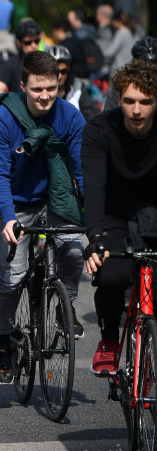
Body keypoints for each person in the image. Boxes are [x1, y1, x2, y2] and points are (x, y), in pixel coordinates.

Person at [0, 51, 85, 385]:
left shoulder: (70, 117)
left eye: (51, 88)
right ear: (23, 86)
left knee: (74, 251)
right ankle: (4, 337)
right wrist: (6, 218)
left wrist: (94, 217)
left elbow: (82, 170)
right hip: (17, 204)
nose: (45, 96)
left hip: (56, 199)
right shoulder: (4, 120)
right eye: (37, 89)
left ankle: (65, 308)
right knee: (13, 276)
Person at [83, 59, 157, 375]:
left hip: (152, 210)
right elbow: (94, 189)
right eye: (129, 101)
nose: (136, 110)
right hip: (113, 212)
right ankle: (110, 341)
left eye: (145, 102)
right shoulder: (100, 130)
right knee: (112, 277)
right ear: (119, 100)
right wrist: (95, 238)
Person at [47, 45, 101, 121]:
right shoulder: (41, 92)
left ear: (68, 68)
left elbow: (90, 116)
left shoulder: (78, 88)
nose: (59, 76)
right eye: (55, 72)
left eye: (63, 71)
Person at [0, 19, 43, 97]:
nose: (33, 45)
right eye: (28, 42)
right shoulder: (10, 63)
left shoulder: (45, 62)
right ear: (19, 43)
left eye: (36, 41)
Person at [104, 9, 138, 73]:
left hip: (120, 69)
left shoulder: (121, 33)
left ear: (118, 21)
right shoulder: (134, 32)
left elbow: (109, 52)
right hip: (132, 67)